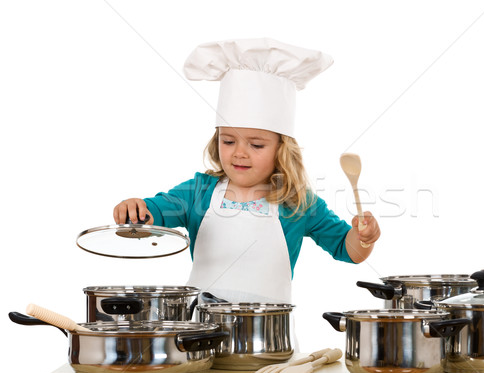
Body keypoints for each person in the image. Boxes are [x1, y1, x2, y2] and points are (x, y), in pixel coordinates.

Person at [113, 38, 380, 304]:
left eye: (256, 144)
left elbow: (347, 250)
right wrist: (135, 209)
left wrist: (363, 239)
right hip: (199, 334)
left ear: (281, 148)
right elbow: (152, 214)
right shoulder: (198, 191)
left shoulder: (298, 202)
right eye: (228, 141)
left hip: (269, 339)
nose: (240, 152)